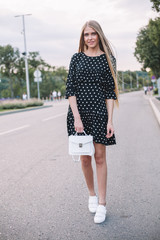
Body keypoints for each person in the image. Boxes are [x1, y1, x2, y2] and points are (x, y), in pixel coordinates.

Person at [65, 20, 119, 224]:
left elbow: (109, 93)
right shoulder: (76, 58)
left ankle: (103, 204)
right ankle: (92, 195)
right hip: (79, 114)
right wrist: (77, 118)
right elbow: (70, 89)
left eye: (93, 34)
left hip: (99, 114)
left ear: (99, 35)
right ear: (83, 37)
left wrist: (110, 120)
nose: (90, 38)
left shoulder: (108, 60)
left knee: (99, 157)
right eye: (86, 34)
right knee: (85, 158)